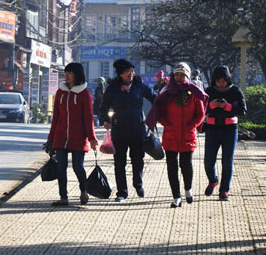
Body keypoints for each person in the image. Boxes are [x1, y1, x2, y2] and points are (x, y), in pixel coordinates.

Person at [146, 62, 207, 207]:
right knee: (171, 166)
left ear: (187, 76)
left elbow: (201, 114)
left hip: (187, 134)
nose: (179, 77)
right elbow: (159, 112)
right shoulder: (166, 92)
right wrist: (167, 124)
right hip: (171, 134)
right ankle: (176, 196)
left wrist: (192, 125)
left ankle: (188, 190)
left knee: (186, 165)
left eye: (182, 74)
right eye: (177, 74)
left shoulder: (194, 92)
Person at [99, 59, 155, 202]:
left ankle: (138, 183)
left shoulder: (138, 86)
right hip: (119, 130)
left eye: (132, 71)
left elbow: (155, 98)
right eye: (126, 72)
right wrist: (105, 120)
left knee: (138, 160)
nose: (130, 74)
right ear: (120, 74)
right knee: (119, 162)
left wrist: (155, 116)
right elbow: (103, 107)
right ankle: (122, 192)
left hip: (138, 129)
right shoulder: (112, 89)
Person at [46, 62, 98, 206]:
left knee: (78, 167)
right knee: (61, 167)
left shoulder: (84, 94)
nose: (67, 75)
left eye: (70, 73)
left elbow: (88, 118)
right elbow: (55, 117)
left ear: (77, 75)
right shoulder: (60, 92)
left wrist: (92, 138)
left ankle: (83, 190)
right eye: (66, 72)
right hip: (61, 136)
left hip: (78, 137)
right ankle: (63, 197)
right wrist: (50, 138)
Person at [204, 66, 247, 200]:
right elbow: (200, 109)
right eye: (218, 81)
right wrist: (211, 105)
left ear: (228, 80)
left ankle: (224, 190)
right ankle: (213, 180)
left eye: (223, 81)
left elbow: (243, 110)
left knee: (227, 161)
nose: (221, 84)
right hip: (212, 129)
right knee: (208, 161)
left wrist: (227, 106)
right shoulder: (209, 91)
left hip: (229, 130)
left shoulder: (235, 91)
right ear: (214, 81)